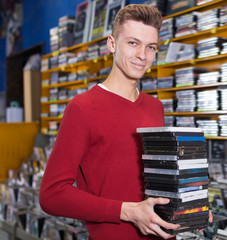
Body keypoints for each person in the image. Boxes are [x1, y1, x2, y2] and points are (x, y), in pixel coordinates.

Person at [40, 4, 211, 240]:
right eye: (133, 43)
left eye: (151, 47)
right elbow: (51, 195)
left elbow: (157, 181)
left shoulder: (155, 107)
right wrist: (128, 212)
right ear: (112, 44)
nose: (142, 55)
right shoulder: (81, 108)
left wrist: (191, 209)